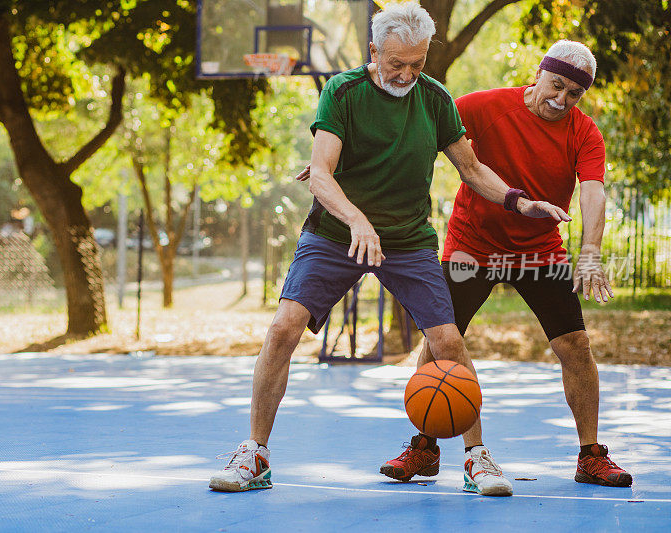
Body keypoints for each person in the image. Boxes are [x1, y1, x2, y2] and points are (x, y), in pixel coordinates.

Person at [208, 2, 569, 496]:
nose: (406, 74)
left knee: (449, 342)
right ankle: (255, 453)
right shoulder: (344, 92)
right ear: (373, 51)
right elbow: (320, 174)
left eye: (417, 64)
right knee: (283, 329)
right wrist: (357, 220)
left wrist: (518, 201)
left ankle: (476, 458)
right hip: (337, 235)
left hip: (407, 239)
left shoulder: (435, 99)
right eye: (396, 63)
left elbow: (473, 169)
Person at [385, 39, 631, 488]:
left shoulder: (584, 133)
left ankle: (590, 456)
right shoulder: (485, 106)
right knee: (441, 340)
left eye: (574, 94)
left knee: (575, 345)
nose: (561, 99)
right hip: (472, 244)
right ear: (539, 72)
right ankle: (424, 447)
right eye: (556, 85)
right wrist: (342, 158)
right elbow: (421, 123)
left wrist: (590, 252)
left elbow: (592, 190)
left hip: (540, 249)